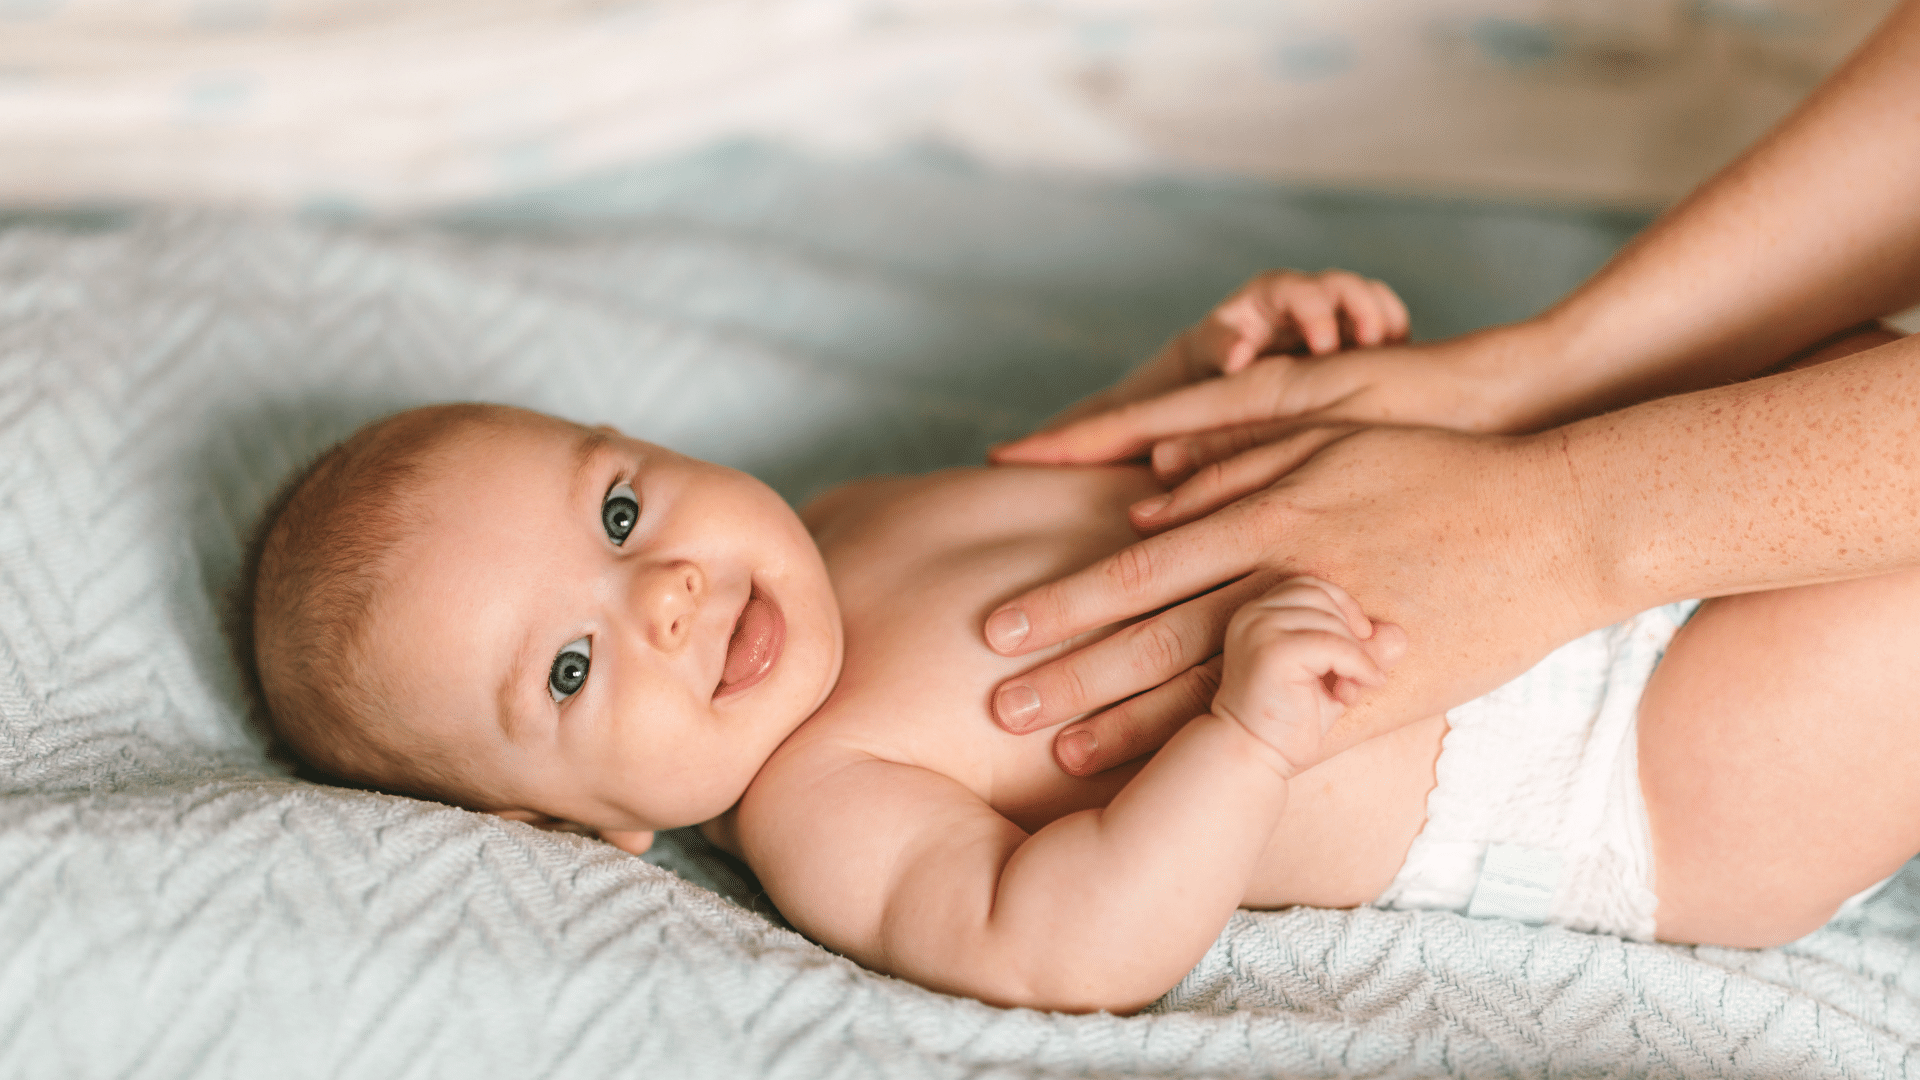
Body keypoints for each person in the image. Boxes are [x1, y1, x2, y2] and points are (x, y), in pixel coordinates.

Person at [246, 296, 1920, 1014]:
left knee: (1850, 367)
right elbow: (1062, 945)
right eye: (568, 672)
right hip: (1611, 772)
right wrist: (1243, 745)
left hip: (1542, 524)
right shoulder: (826, 802)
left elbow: (1092, 473)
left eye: (617, 514)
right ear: (585, 828)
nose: (665, 595)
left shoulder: (848, 517)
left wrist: (1206, 362)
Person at [981, 0, 1920, 782]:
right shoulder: (838, 779)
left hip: (1566, 711)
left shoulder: (834, 549)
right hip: (1611, 765)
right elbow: (1051, 948)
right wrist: (1543, 375)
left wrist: (1557, 519)